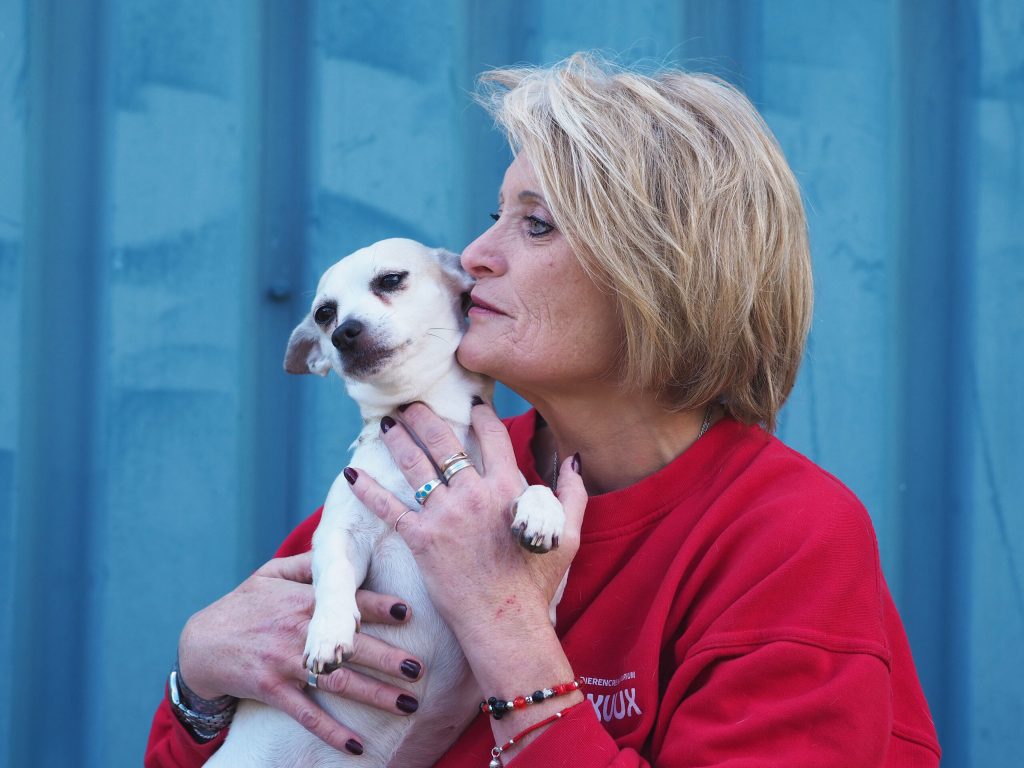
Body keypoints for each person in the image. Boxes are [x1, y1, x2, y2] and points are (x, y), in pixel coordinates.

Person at [146, 53, 940, 767]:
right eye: (495, 213)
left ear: (661, 274)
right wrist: (200, 684)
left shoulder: (787, 537)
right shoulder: (423, 464)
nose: (479, 253)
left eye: (535, 222)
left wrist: (506, 628)